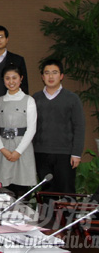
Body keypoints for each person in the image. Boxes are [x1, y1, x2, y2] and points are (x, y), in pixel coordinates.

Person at [33, 59, 85, 193]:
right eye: (47, 73)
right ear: (42, 77)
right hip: (41, 153)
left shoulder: (72, 98)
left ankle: (68, 209)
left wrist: (76, 153)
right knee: (47, 193)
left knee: (67, 192)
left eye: (55, 72)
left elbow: (79, 127)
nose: (51, 76)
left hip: (65, 154)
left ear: (61, 76)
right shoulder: (35, 99)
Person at [0, 64, 37, 196]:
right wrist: (3, 150)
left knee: (22, 190)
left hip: (23, 149)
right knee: (5, 191)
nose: (11, 82)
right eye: (7, 78)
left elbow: (31, 129)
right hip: (3, 149)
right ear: (3, 80)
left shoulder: (29, 100)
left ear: (21, 78)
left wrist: (18, 151)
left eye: (14, 78)